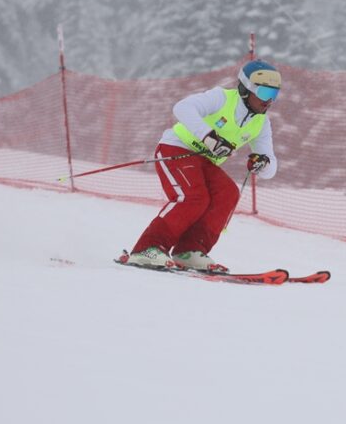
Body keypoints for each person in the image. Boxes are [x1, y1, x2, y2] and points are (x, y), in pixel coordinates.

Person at [118, 60, 282, 273]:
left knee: (227, 193)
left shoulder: (261, 123)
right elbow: (182, 107)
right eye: (264, 92)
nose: (269, 100)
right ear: (246, 88)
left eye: (275, 94)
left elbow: (270, 167)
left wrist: (262, 163)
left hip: (205, 161)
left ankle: (190, 251)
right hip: (176, 148)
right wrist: (209, 137)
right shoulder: (222, 98)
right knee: (193, 197)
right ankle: (147, 249)